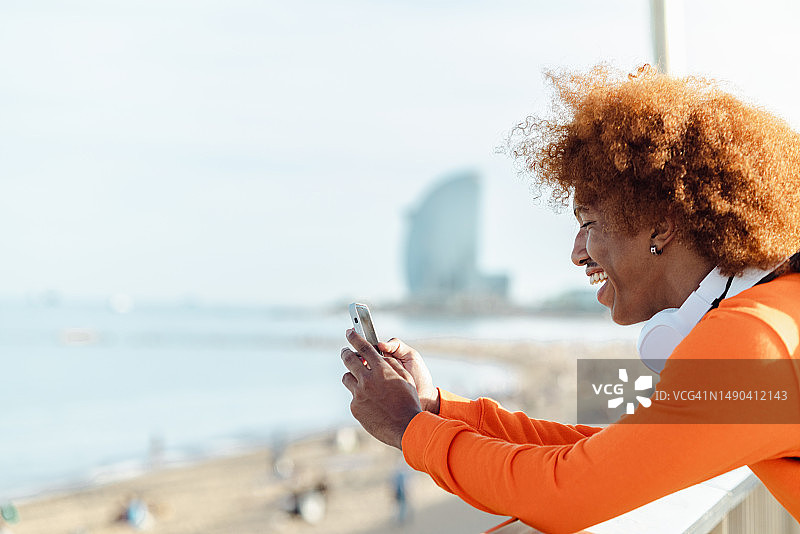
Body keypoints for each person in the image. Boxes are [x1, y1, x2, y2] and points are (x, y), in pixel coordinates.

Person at [339, 65, 800, 533]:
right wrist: (435, 407)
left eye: (589, 223)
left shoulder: (753, 342)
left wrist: (407, 428)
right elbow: (604, 457)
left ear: (662, 227)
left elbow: (566, 490)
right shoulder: (774, 315)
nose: (577, 253)